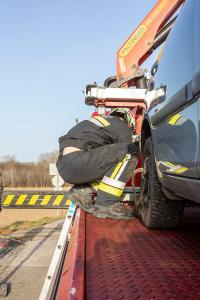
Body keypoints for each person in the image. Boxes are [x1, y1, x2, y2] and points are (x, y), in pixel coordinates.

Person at [56, 108, 139, 220]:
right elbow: (126, 151)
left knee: (110, 165)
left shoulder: (97, 123)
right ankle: (107, 204)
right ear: (129, 123)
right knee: (130, 152)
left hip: (65, 165)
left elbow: (104, 163)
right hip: (78, 160)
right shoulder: (121, 125)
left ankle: (82, 191)